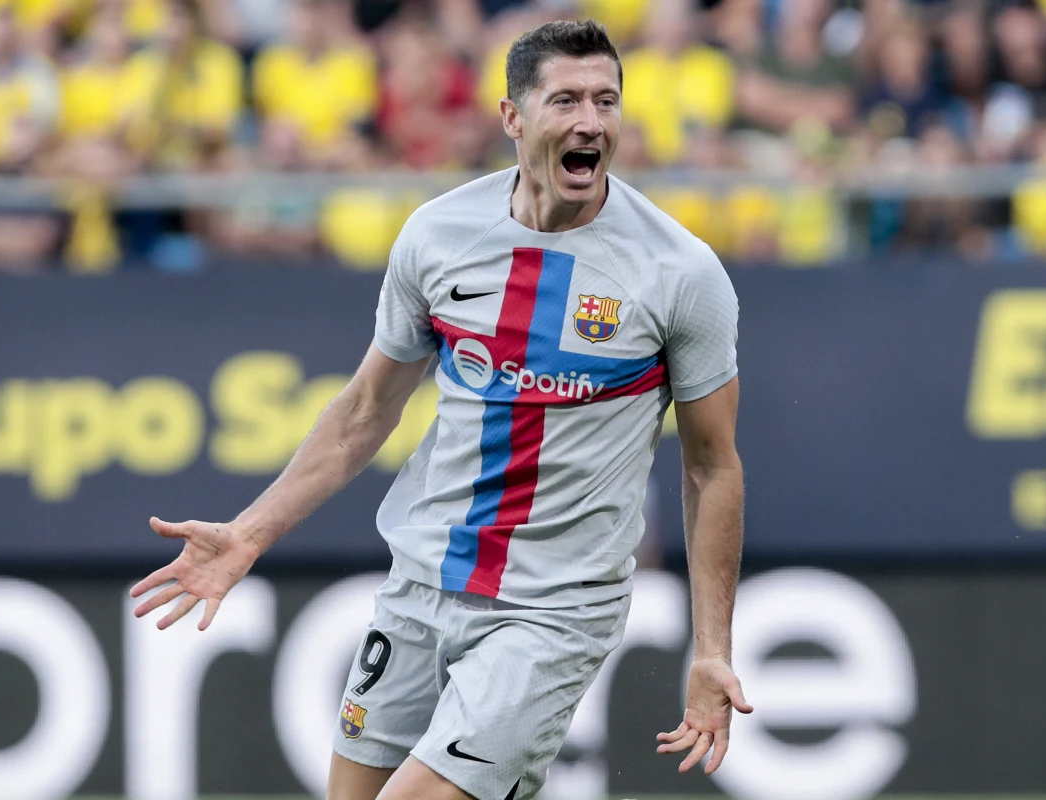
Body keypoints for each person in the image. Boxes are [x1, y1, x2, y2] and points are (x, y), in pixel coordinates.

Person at [130, 18, 750, 800]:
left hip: (552, 614)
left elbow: (711, 465)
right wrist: (249, 535)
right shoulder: (438, 235)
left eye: (606, 101)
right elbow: (365, 412)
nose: (591, 122)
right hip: (423, 584)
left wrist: (711, 647)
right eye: (566, 101)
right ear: (512, 117)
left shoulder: (680, 273)